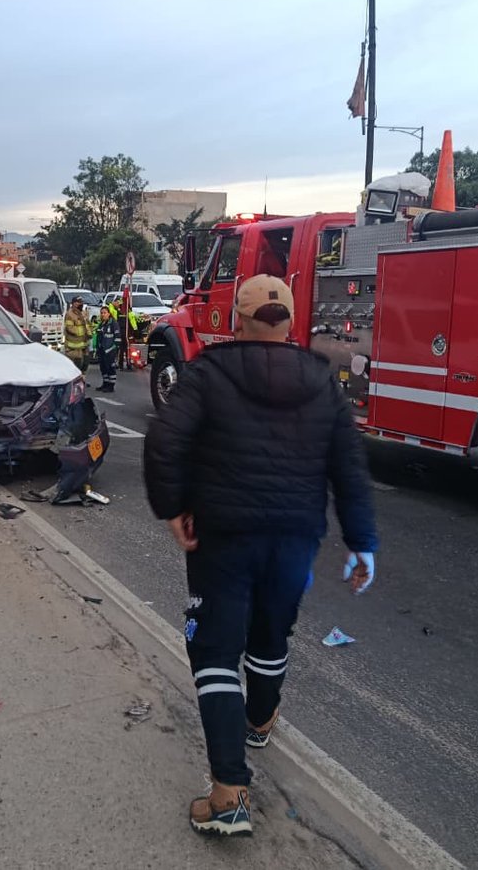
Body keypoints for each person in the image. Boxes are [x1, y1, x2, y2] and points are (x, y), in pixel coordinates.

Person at [143, 275, 378, 838]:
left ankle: (228, 793)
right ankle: (260, 719)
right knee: (273, 633)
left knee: (216, 649)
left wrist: (173, 507)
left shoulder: (208, 374)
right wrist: (361, 539)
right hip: (295, 538)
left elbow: (164, 441)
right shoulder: (322, 381)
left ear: (238, 321)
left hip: (223, 536)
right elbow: (349, 466)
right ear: (291, 321)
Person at [63, 295, 91, 376]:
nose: (81, 304)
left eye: (81, 302)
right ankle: (75, 380)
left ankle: (82, 379)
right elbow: (70, 328)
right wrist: (83, 331)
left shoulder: (83, 312)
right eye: (78, 302)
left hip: (84, 344)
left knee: (85, 364)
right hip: (74, 347)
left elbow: (88, 324)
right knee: (76, 365)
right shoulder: (70, 314)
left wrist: (89, 331)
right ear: (73, 303)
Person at [95, 302, 119, 392]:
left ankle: (111, 386)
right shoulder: (101, 324)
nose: (103, 314)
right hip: (102, 350)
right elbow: (98, 337)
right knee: (103, 368)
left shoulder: (113, 323)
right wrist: (97, 348)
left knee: (110, 367)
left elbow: (117, 337)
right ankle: (105, 384)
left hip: (110, 350)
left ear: (109, 313)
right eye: (101, 313)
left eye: (105, 313)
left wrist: (115, 348)